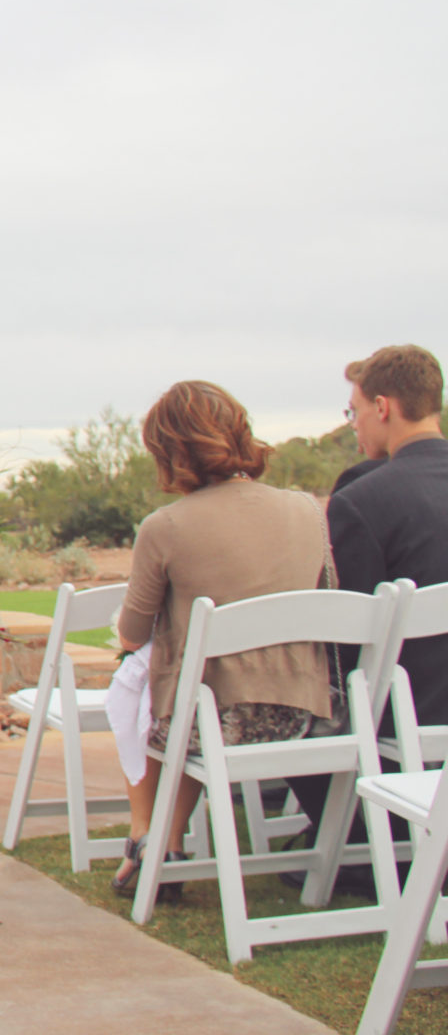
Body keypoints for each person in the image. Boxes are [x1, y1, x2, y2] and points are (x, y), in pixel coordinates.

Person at [109, 381, 332, 897]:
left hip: (216, 724)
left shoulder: (165, 527)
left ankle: (149, 837)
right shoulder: (308, 510)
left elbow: (131, 632)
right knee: (187, 695)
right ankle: (159, 842)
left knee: (146, 690)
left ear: (167, 451)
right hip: (304, 713)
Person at [330, 345, 448, 724]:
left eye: (354, 411)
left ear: (382, 408)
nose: (354, 423)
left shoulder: (360, 501)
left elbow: (349, 645)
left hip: (410, 727)